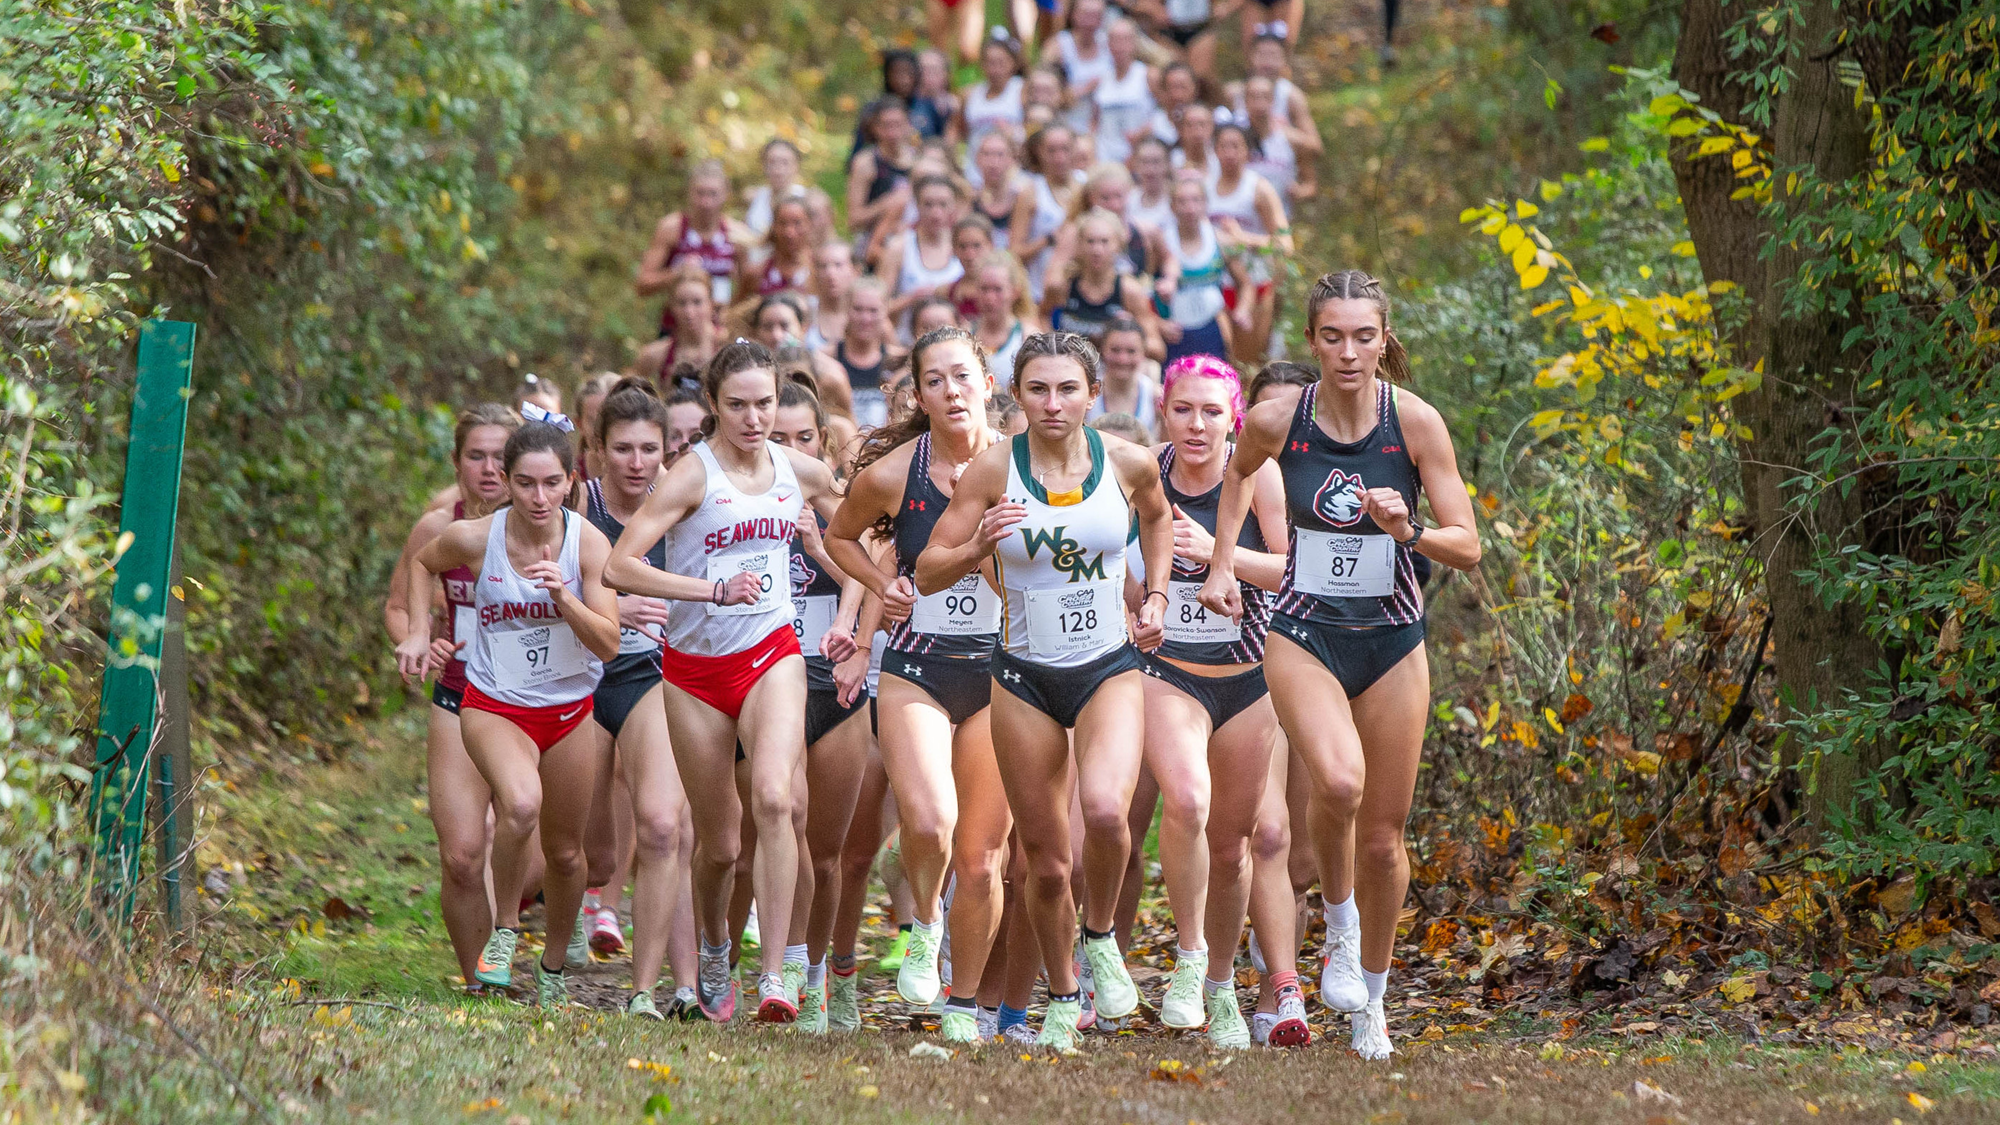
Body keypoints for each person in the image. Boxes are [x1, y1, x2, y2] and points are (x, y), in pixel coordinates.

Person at [1197, 271, 1481, 1059]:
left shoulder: (1414, 423)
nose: (1349, 352)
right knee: (1341, 781)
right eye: (1332, 336)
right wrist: (1223, 563)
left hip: (1391, 638)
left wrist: (1407, 530)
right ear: (1313, 340)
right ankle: (1342, 928)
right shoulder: (1280, 418)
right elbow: (1236, 473)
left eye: (1364, 336)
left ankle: (1374, 1002)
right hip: (1304, 632)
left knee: (1386, 838)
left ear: (1384, 339)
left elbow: (1468, 543)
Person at [914, 331, 1173, 1050]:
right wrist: (976, 545)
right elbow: (928, 569)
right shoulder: (995, 468)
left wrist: (1155, 597)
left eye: (1067, 389)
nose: (1053, 403)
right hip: (1024, 677)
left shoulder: (1126, 461)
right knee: (1046, 864)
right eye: (1038, 389)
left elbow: (1156, 517)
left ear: (1093, 394)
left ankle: (1101, 942)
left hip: (1108, 667)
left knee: (1105, 813)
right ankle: (1063, 992)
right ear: (1015, 394)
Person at [602, 341, 850, 1024]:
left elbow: (866, 524)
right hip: (694, 672)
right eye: (737, 404)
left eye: (764, 402)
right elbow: (620, 568)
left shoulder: (798, 468)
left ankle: (775, 973)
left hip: (775, 652)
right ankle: (716, 947)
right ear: (713, 404)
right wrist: (709, 590)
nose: (753, 417)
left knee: (775, 797)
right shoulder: (689, 475)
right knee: (720, 845)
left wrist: (863, 585)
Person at [823, 327, 1013, 1044]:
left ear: (988, 383)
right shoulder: (897, 472)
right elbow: (840, 536)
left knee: (983, 855)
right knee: (929, 822)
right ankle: (924, 919)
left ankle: (963, 1005)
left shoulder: (1022, 464)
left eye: (962, 376)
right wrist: (881, 587)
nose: (951, 391)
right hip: (919, 666)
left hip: (1003, 670)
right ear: (921, 393)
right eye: (934, 380)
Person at [394, 419, 622, 1007]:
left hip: (569, 710)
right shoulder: (478, 537)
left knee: (568, 855)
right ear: (510, 485)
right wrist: (420, 630)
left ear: (572, 483)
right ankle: (504, 932)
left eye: (551, 484)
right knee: (520, 804)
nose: (538, 498)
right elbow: (422, 564)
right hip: (493, 703)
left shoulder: (589, 545)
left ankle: (550, 969)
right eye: (525, 484)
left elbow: (609, 644)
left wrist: (564, 598)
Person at [1137, 355, 1289, 1048]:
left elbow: (1291, 570)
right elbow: (1109, 559)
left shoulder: (1259, 474)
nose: (1196, 424)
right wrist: (1137, 603)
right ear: (1164, 410)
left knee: (1232, 847)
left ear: (1234, 418)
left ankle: (1223, 986)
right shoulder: (1142, 471)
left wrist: (1217, 555)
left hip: (1249, 676)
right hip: (1169, 670)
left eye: (1211, 412)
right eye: (1183, 409)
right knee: (1188, 802)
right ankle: (1190, 956)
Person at [578, 381, 704, 1020]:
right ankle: (546, 942)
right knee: (590, 850)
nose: (635, 462)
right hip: (574, 680)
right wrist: (609, 606)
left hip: (648, 677)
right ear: (596, 450)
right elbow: (517, 582)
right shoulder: (574, 505)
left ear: (666, 453)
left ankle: (651, 990)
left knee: (662, 825)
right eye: (621, 448)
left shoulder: (681, 509)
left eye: (648, 449)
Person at [383, 404, 518, 996]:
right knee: (464, 853)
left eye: (500, 456)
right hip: (460, 693)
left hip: (537, 703)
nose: (489, 469)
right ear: (456, 462)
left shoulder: (556, 522)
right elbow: (398, 607)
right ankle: (481, 982)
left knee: (542, 852)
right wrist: (417, 637)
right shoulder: (438, 528)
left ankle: (534, 948)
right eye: (476, 456)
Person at [767, 379, 872, 1033]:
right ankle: (757, 966)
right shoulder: (743, 504)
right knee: (768, 828)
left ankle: (824, 976)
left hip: (836, 680)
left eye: (802, 437)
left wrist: (817, 546)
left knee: (828, 850)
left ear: (822, 444)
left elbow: (877, 586)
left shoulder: (846, 510)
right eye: (779, 437)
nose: (790, 448)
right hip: (769, 677)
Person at [1208, 122, 1292, 369]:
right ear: (1214, 150)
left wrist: (1243, 239)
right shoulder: (1204, 187)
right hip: (1213, 283)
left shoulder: (1259, 189)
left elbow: (1285, 245)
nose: (1230, 153)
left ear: (1248, 151)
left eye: (1236, 146)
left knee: (1248, 363)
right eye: (1224, 146)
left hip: (1255, 283)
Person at [636, 160, 748, 332]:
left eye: (713, 194)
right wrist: (676, 273)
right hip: (676, 328)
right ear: (689, 193)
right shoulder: (672, 228)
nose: (706, 202)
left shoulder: (737, 233)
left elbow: (748, 289)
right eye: (700, 193)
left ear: (726, 194)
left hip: (719, 329)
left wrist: (730, 312)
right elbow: (642, 285)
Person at [1045, 209, 1165, 359]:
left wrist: (1123, 335)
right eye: (1090, 242)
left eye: (1104, 241)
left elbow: (1158, 348)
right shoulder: (1063, 287)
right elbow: (1041, 318)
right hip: (1070, 371)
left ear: (1118, 245)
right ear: (1079, 245)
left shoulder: (1129, 291)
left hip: (1113, 373)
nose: (1097, 250)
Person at [1161, 172, 1249, 365]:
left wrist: (1243, 310)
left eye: (1196, 200)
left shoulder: (1220, 240)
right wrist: (1158, 323)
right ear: (1172, 206)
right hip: (1173, 332)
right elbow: (1143, 286)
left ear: (1206, 204)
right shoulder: (1161, 242)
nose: (1190, 208)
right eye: (1182, 202)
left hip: (1211, 328)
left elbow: (1245, 283)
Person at [1229, 35, 1321, 199]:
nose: (1267, 63)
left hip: (1278, 168)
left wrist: (1282, 134)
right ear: (1250, 57)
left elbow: (1315, 147)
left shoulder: (1291, 96)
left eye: (1274, 56)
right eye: (1262, 55)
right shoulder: (1232, 93)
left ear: (1285, 61)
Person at [879, 176, 968, 333]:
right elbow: (878, 307)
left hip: (954, 343)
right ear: (917, 206)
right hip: (907, 340)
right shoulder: (899, 247)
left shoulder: (965, 245)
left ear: (954, 207)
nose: (935, 212)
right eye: (928, 204)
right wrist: (910, 299)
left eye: (943, 204)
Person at [1010, 125, 1086, 305]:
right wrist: (1048, 240)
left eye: (1065, 149)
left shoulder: (1087, 185)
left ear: (1075, 149)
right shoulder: (1030, 192)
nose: (1059, 158)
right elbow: (1014, 252)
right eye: (1051, 151)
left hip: (1081, 295)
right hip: (1040, 294)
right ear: (1039, 152)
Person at [821, 277, 903, 427]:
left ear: (886, 310)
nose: (865, 318)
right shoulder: (826, 359)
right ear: (846, 308)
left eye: (873, 310)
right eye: (858, 309)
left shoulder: (899, 360)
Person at [848, 100, 919, 258]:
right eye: (886, 126)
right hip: (875, 242)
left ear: (908, 125)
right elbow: (853, 220)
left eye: (898, 124)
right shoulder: (866, 163)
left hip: (912, 240)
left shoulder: (919, 161)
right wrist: (886, 203)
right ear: (875, 128)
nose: (893, 133)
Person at [1240, 75, 1319, 210]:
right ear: (1245, 101)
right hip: (1242, 222)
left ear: (1273, 101)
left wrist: (1299, 192)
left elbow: (1311, 185)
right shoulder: (1234, 139)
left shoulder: (1291, 140)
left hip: (1281, 222)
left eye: (1265, 96)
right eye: (1254, 97)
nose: (1259, 103)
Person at [956, 31, 1026, 176]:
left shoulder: (1022, 91)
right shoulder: (969, 94)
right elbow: (958, 131)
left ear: (1013, 63)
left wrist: (1015, 133)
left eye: (1001, 62)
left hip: (1012, 171)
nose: (995, 69)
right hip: (975, 171)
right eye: (990, 63)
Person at [643, 263, 724, 388]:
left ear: (711, 304)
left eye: (697, 302)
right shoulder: (656, 354)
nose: (689, 312)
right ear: (671, 307)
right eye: (681, 303)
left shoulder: (727, 345)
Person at [1090, 19, 1155, 165]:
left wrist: (1142, 132)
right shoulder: (1101, 79)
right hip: (1105, 156)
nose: (1119, 46)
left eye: (1125, 40)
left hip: (1138, 156)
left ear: (1135, 43)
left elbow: (1162, 114)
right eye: (1114, 40)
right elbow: (1094, 120)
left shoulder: (1147, 75)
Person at [1085, 319, 1161, 438]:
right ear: (1102, 350)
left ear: (1144, 353)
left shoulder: (1155, 397)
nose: (1122, 359)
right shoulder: (1086, 395)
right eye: (1115, 350)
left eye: (1131, 351)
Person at [968, 251, 1038, 380]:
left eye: (998, 289)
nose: (990, 298)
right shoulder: (964, 335)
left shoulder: (1027, 337)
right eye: (984, 289)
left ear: (1015, 292)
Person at [738, 196, 815, 306]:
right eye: (783, 223)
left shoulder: (820, 272)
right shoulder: (756, 274)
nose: (789, 232)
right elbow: (735, 317)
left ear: (809, 225)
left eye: (797, 223)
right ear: (773, 226)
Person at [1055, 0, 1114, 134]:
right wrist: (1086, 88)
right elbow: (1049, 93)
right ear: (1073, 15)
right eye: (1086, 15)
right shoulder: (1059, 46)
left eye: (1096, 16)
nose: (1091, 22)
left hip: (1104, 124)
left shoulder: (1110, 42)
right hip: (1069, 122)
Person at [968, 135, 1024, 251]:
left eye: (1000, 155)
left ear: (1012, 159)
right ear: (977, 159)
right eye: (987, 154)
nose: (993, 163)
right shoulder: (968, 198)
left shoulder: (1022, 197)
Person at [805, 241, 859, 352]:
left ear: (855, 271)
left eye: (838, 265)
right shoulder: (805, 309)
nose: (830, 273)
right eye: (823, 266)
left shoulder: (867, 311)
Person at [744, 139, 805, 238]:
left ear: (796, 166)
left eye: (785, 163)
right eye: (772, 162)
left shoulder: (806, 199)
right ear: (763, 166)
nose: (778, 170)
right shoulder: (755, 197)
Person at [574, 373, 622, 482]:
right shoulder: (569, 476)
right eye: (593, 422)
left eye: (610, 421)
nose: (600, 431)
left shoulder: (645, 470)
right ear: (579, 424)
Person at [1127, 136, 1178, 233]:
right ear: (1135, 164)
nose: (1150, 169)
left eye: (1156, 162)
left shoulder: (1179, 199)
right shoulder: (1128, 199)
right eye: (1144, 162)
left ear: (1168, 164)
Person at [910, 49, 959, 140]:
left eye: (934, 70)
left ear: (946, 74)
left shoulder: (954, 105)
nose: (928, 75)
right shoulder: (907, 102)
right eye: (923, 69)